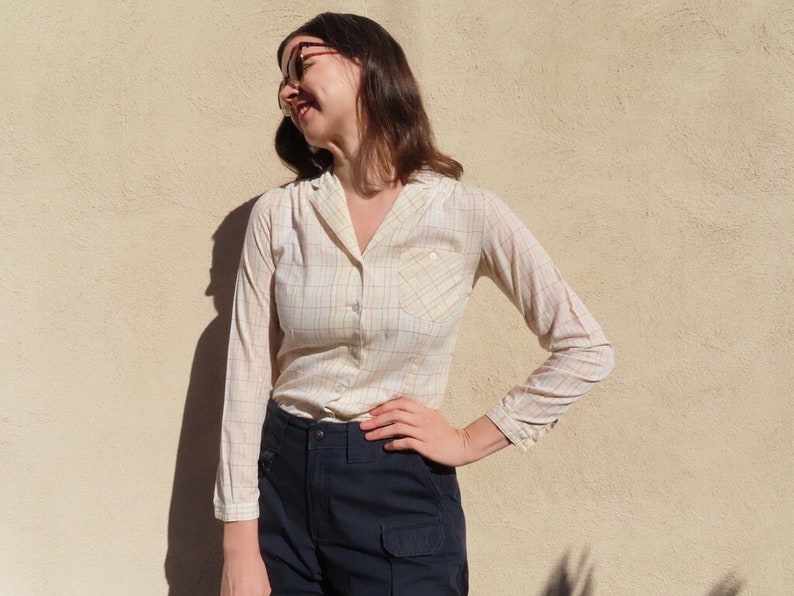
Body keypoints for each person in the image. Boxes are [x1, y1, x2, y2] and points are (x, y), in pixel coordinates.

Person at [214, 12, 614, 596]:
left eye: (303, 65)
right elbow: (248, 378)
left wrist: (470, 439)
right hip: (282, 489)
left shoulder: (468, 213)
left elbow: (585, 348)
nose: (287, 89)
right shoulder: (280, 216)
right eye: (282, 82)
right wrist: (238, 546)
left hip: (398, 494)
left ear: (368, 66)